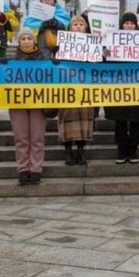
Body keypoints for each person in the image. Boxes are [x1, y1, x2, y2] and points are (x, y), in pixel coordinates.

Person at [4, 27, 48, 185]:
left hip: (38, 102)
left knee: (37, 137)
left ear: (34, 40)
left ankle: (36, 169)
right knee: (21, 137)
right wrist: (1, 65)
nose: (26, 41)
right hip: (18, 103)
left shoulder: (44, 58)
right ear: (19, 42)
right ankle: (23, 169)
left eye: (29, 38)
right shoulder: (11, 60)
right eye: (23, 39)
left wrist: (55, 65)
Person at [105, 12, 139, 164]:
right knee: (120, 122)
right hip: (119, 88)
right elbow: (106, 65)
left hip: (137, 89)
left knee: (136, 122)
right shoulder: (113, 41)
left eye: (132, 23)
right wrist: (105, 55)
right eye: (126, 23)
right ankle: (122, 151)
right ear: (121, 25)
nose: (129, 26)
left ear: (136, 26)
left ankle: (133, 151)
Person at [57, 16, 95, 166]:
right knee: (66, 119)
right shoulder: (61, 45)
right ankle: (68, 152)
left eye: (81, 24)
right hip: (67, 88)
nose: (78, 26)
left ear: (86, 28)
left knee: (84, 121)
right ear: (70, 28)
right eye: (75, 24)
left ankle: (80, 151)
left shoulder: (93, 45)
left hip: (85, 87)